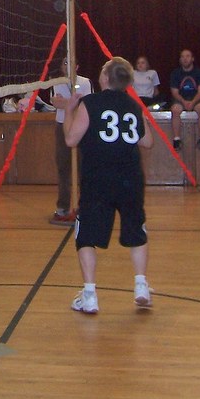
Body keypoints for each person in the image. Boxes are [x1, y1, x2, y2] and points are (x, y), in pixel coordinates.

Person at [63, 56, 154, 312]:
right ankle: (141, 286)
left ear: (105, 78)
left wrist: (69, 111)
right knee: (137, 231)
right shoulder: (134, 105)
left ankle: (90, 295)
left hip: (98, 180)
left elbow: (71, 139)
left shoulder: (89, 103)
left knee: (86, 237)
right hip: (130, 179)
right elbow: (147, 142)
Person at [49, 56, 92, 225]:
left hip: (82, 127)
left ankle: (85, 206)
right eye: (65, 62)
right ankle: (63, 207)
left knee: (84, 168)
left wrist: (67, 102)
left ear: (77, 66)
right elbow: (56, 102)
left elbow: (88, 104)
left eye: (71, 62)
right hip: (62, 126)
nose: (68, 65)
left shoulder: (86, 82)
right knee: (63, 167)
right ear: (61, 66)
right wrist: (74, 102)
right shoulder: (55, 82)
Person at [170, 48, 200, 151]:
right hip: (181, 99)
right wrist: (183, 101)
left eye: (187, 56)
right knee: (175, 110)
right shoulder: (175, 73)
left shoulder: (199, 73)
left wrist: (193, 102)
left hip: (196, 99)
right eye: (182, 56)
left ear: (192, 59)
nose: (185, 59)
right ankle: (177, 139)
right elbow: (174, 92)